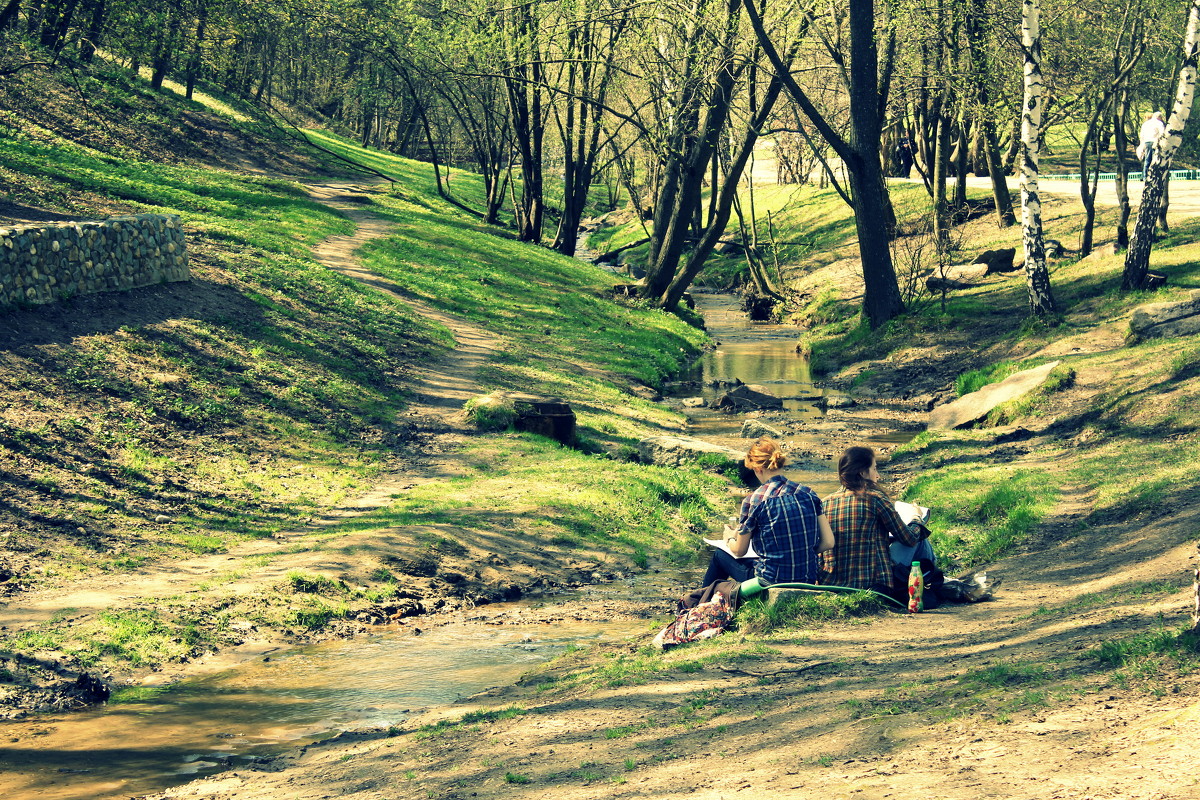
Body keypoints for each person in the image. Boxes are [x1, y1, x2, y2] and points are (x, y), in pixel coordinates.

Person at [700, 437, 834, 587]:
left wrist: (729, 538)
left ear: (757, 468)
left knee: (719, 555)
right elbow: (828, 542)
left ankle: (700, 603)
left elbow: (739, 551)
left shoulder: (754, 500)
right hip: (806, 578)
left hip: (770, 581)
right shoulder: (809, 494)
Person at [820, 446, 927, 597]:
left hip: (831, 586)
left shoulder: (824, 503)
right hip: (873, 585)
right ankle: (930, 582)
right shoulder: (875, 498)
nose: (878, 476)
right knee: (919, 537)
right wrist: (917, 518)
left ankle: (929, 581)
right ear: (863, 472)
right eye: (875, 469)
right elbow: (909, 539)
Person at [1137, 111, 1166, 178]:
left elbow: (1142, 135)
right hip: (1155, 142)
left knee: (1147, 160)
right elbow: (1162, 133)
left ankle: (1144, 176)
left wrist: (1142, 144)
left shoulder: (1145, 124)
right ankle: (1153, 176)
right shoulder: (1159, 123)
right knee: (1155, 159)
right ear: (1159, 117)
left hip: (1147, 142)